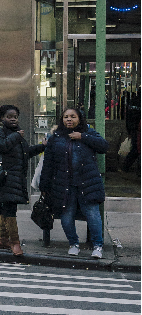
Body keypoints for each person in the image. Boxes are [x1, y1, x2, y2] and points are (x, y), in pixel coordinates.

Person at [36, 105, 107, 258]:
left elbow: (103, 146)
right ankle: (73, 243)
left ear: (79, 119)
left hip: (87, 183)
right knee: (66, 215)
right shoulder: (56, 137)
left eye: (73, 116)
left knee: (92, 214)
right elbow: (48, 163)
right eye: (66, 117)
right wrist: (44, 185)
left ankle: (98, 246)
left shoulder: (87, 132)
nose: (69, 119)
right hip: (64, 184)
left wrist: (82, 137)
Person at [0, 104, 41, 259]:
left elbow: (24, 153)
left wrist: (42, 147)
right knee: (9, 209)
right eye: (9, 116)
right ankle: (15, 242)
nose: (13, 119)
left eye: (15, 117)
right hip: (4, 178)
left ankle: (3, 239)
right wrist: (16, 136)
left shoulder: (15, 134)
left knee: (7, 208)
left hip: (13, 178)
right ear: (1, 117)